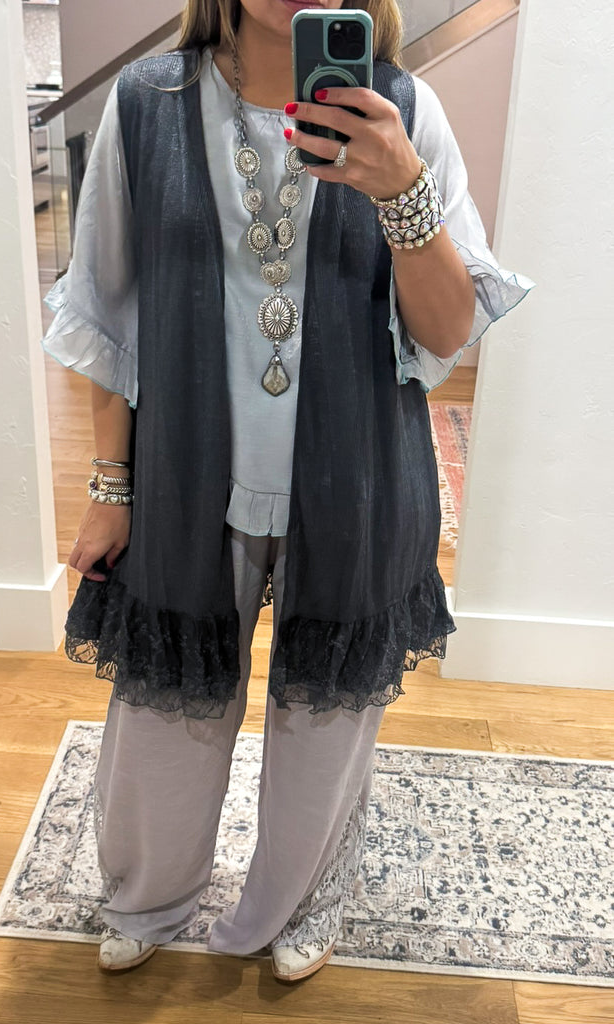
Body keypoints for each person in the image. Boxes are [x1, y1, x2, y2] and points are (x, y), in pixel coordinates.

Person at [40, 0, 534, 983]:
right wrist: (109, 485)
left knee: (326, 718)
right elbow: (106, 310)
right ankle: (150, 892)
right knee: (165, 710)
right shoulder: (147, 102)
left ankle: (306, 896)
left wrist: (402, 192)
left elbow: (444, 332)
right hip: (185, 474)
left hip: (353, 479)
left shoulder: (402, 110)